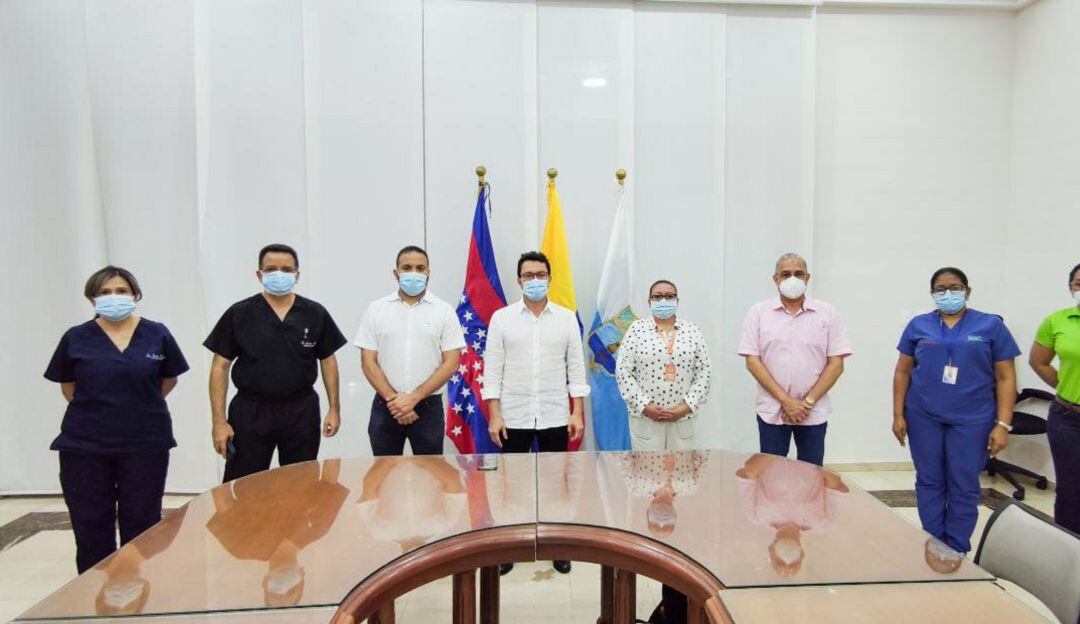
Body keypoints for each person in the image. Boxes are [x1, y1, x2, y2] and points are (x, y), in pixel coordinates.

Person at [44, 266, 190, 573]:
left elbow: (169, 379)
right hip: (85, 445)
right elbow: (68, 386)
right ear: (92, 298)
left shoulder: (157, 334)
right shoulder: (76, 337)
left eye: (121, 291)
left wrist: (136, 406)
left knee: (142, 522)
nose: (114, 297)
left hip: (145, 443)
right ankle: (95, 590)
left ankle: (139, 588)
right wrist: (101, 411)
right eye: (105, 292)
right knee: (91, 524)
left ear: (135, 295)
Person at [892, 267, 1019, 554]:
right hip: (923, 416)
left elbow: (1005, 377)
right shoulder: (918, 325)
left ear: (967, 291)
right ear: (932, 293)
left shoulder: (990, 325)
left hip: (973, 419)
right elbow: (902, 371)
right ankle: (933, 543)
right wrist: (898, 414)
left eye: (955, 287)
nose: (948, 293)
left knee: (964, 483)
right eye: (940, 289)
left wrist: (1003, 424)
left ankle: (957, 549)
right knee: (929, 480)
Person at [483, 251, 590, 575]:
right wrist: (495, 414)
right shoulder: (501, 318)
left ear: (549, 278)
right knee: (512, 483)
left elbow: (576, 368)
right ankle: (511, 547)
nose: (534, 280)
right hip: (513, 415)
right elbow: (492, 370)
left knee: (555, 482)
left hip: (555, 413)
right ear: (519, 280)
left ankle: (557, 546)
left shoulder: (566, 318)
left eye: (540, 275)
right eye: (528, 275)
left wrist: (577, 412)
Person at [204, 244, 347, 482]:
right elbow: (220, 366)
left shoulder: (314, 313)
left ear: (297, 275)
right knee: (243, 483)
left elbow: (328, 360)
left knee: (301, 482)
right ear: (259, 274)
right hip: (251, 411)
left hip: (301, 410)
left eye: (287, 269)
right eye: (271, 269)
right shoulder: (239, 314)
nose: (279, 274)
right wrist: (219, 421)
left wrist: (334, 409)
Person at [738, 253, 853, 466]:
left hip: (813, 410)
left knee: (812, 472)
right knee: (770, 472)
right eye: (786, 274)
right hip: (772, 410)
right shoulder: (759, 313)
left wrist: (806, 403)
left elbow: (836, 364)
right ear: (776, 279)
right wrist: (786, 401)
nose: (792, 279)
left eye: (798, 274)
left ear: (807, 278)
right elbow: (752, 362)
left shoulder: (827, 313)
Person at [356, 246, 464, 456]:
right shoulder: (376, 309)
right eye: (407, 268)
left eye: (420, 268)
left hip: (428, 407)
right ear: (396, 272)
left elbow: (451, 362)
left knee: (430, 472)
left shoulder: (444, 311)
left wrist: (414, 398)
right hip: (386, 405)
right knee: (383, 471)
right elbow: (368, 361)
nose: (414, 273)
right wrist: (395, 401)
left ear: (428, 272)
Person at [616, 280, 712, 451]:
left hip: (683, 419)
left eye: (669, 296)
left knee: (681, 467)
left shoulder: (692, 331)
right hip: (646, 419)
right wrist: (644, 406)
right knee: (648, 468)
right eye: (657, 297)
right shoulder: (637, 330)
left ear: (677, 301)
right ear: (649, 301)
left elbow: (704, 372)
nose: (663, 301)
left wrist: (686, 407)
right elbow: (623, 371)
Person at [1029, 261, 1080, 534]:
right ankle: (1069, 549)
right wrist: (1065, 385)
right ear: (1071, 287)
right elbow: (1039, 361)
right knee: (1070, 491)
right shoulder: (1057, 320)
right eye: (1079, 283)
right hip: (1068, 418)